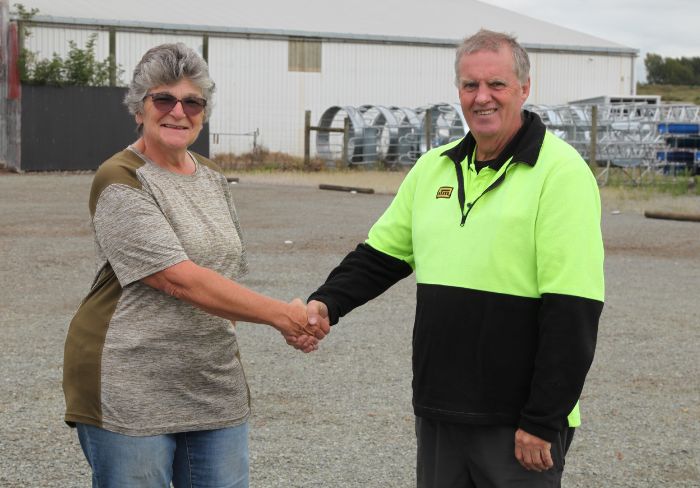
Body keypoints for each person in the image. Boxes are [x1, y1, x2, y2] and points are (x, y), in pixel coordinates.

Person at [304, 29, 604, 487]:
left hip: (517, 423)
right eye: (470, 85)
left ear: (524, 88)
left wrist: (543, 418)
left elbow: (574, 307)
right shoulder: (434, 168)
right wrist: (325, 303)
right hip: (440, 409)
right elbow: (380, 256)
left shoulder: (561, 174)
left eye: (496, 84)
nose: (482, 97)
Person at [62, 43, 327, 488]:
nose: (178, 112)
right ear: (139, 109)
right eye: (163, 99)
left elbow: (223, 274)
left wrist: (273, 322)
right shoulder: (120, 177)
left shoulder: (212, 177)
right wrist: (284, 316)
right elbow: (178, 279)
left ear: (203, 113)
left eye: (192, 102)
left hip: (211, 384)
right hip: (131, 383)